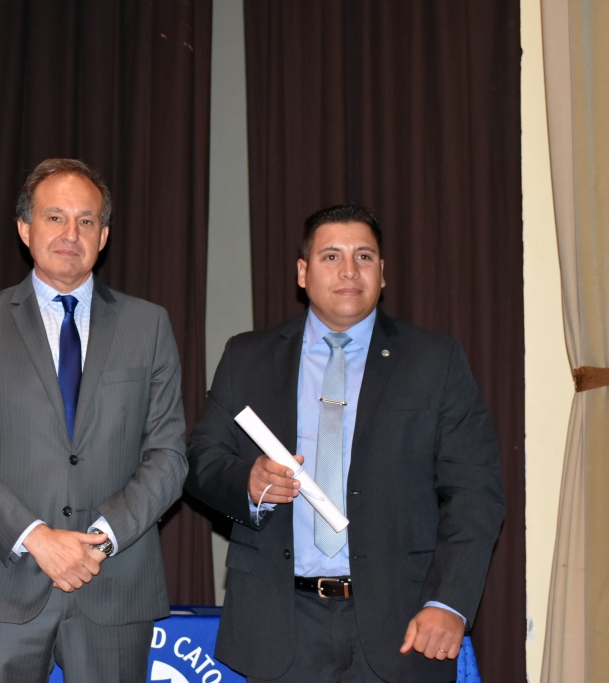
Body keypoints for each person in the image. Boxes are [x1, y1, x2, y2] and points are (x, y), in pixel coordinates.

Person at [185, 204, 505, 682]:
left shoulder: (434, 362)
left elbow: (475, 493)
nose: (349, 271)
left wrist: (449, 602)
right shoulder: (247, 357)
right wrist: (247, 484)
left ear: (383, 273)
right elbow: (200, 462)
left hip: (401, 627)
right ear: (302, 272)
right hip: (278, 626)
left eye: (365, 257)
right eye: (331, 256)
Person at [0, 158, 188, 682]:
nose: (71, 233)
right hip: (0, 583)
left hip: (114, 582)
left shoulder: (149, 325)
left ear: (105, 234)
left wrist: (99, 538)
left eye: (86, 220)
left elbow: (167, 455)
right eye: (54, 217)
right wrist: (37, 537)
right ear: (25, 229)